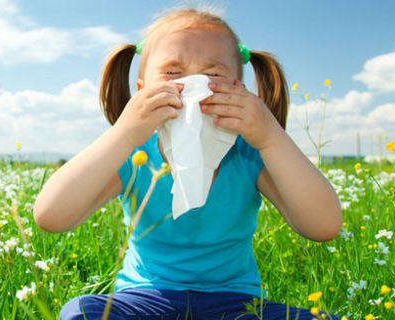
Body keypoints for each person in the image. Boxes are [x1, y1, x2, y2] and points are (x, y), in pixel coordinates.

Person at [34, 7, 343, 320]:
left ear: (239, 90)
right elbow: (51, 216)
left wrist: (270, 137)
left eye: (212, 75)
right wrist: (124, 133)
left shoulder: (249, 154)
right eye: (172, 73)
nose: (193, 85)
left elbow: (323, 226)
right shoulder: (135, 155)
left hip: (235, 303)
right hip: (145, 298)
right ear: (141, 91)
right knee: (81, 313)